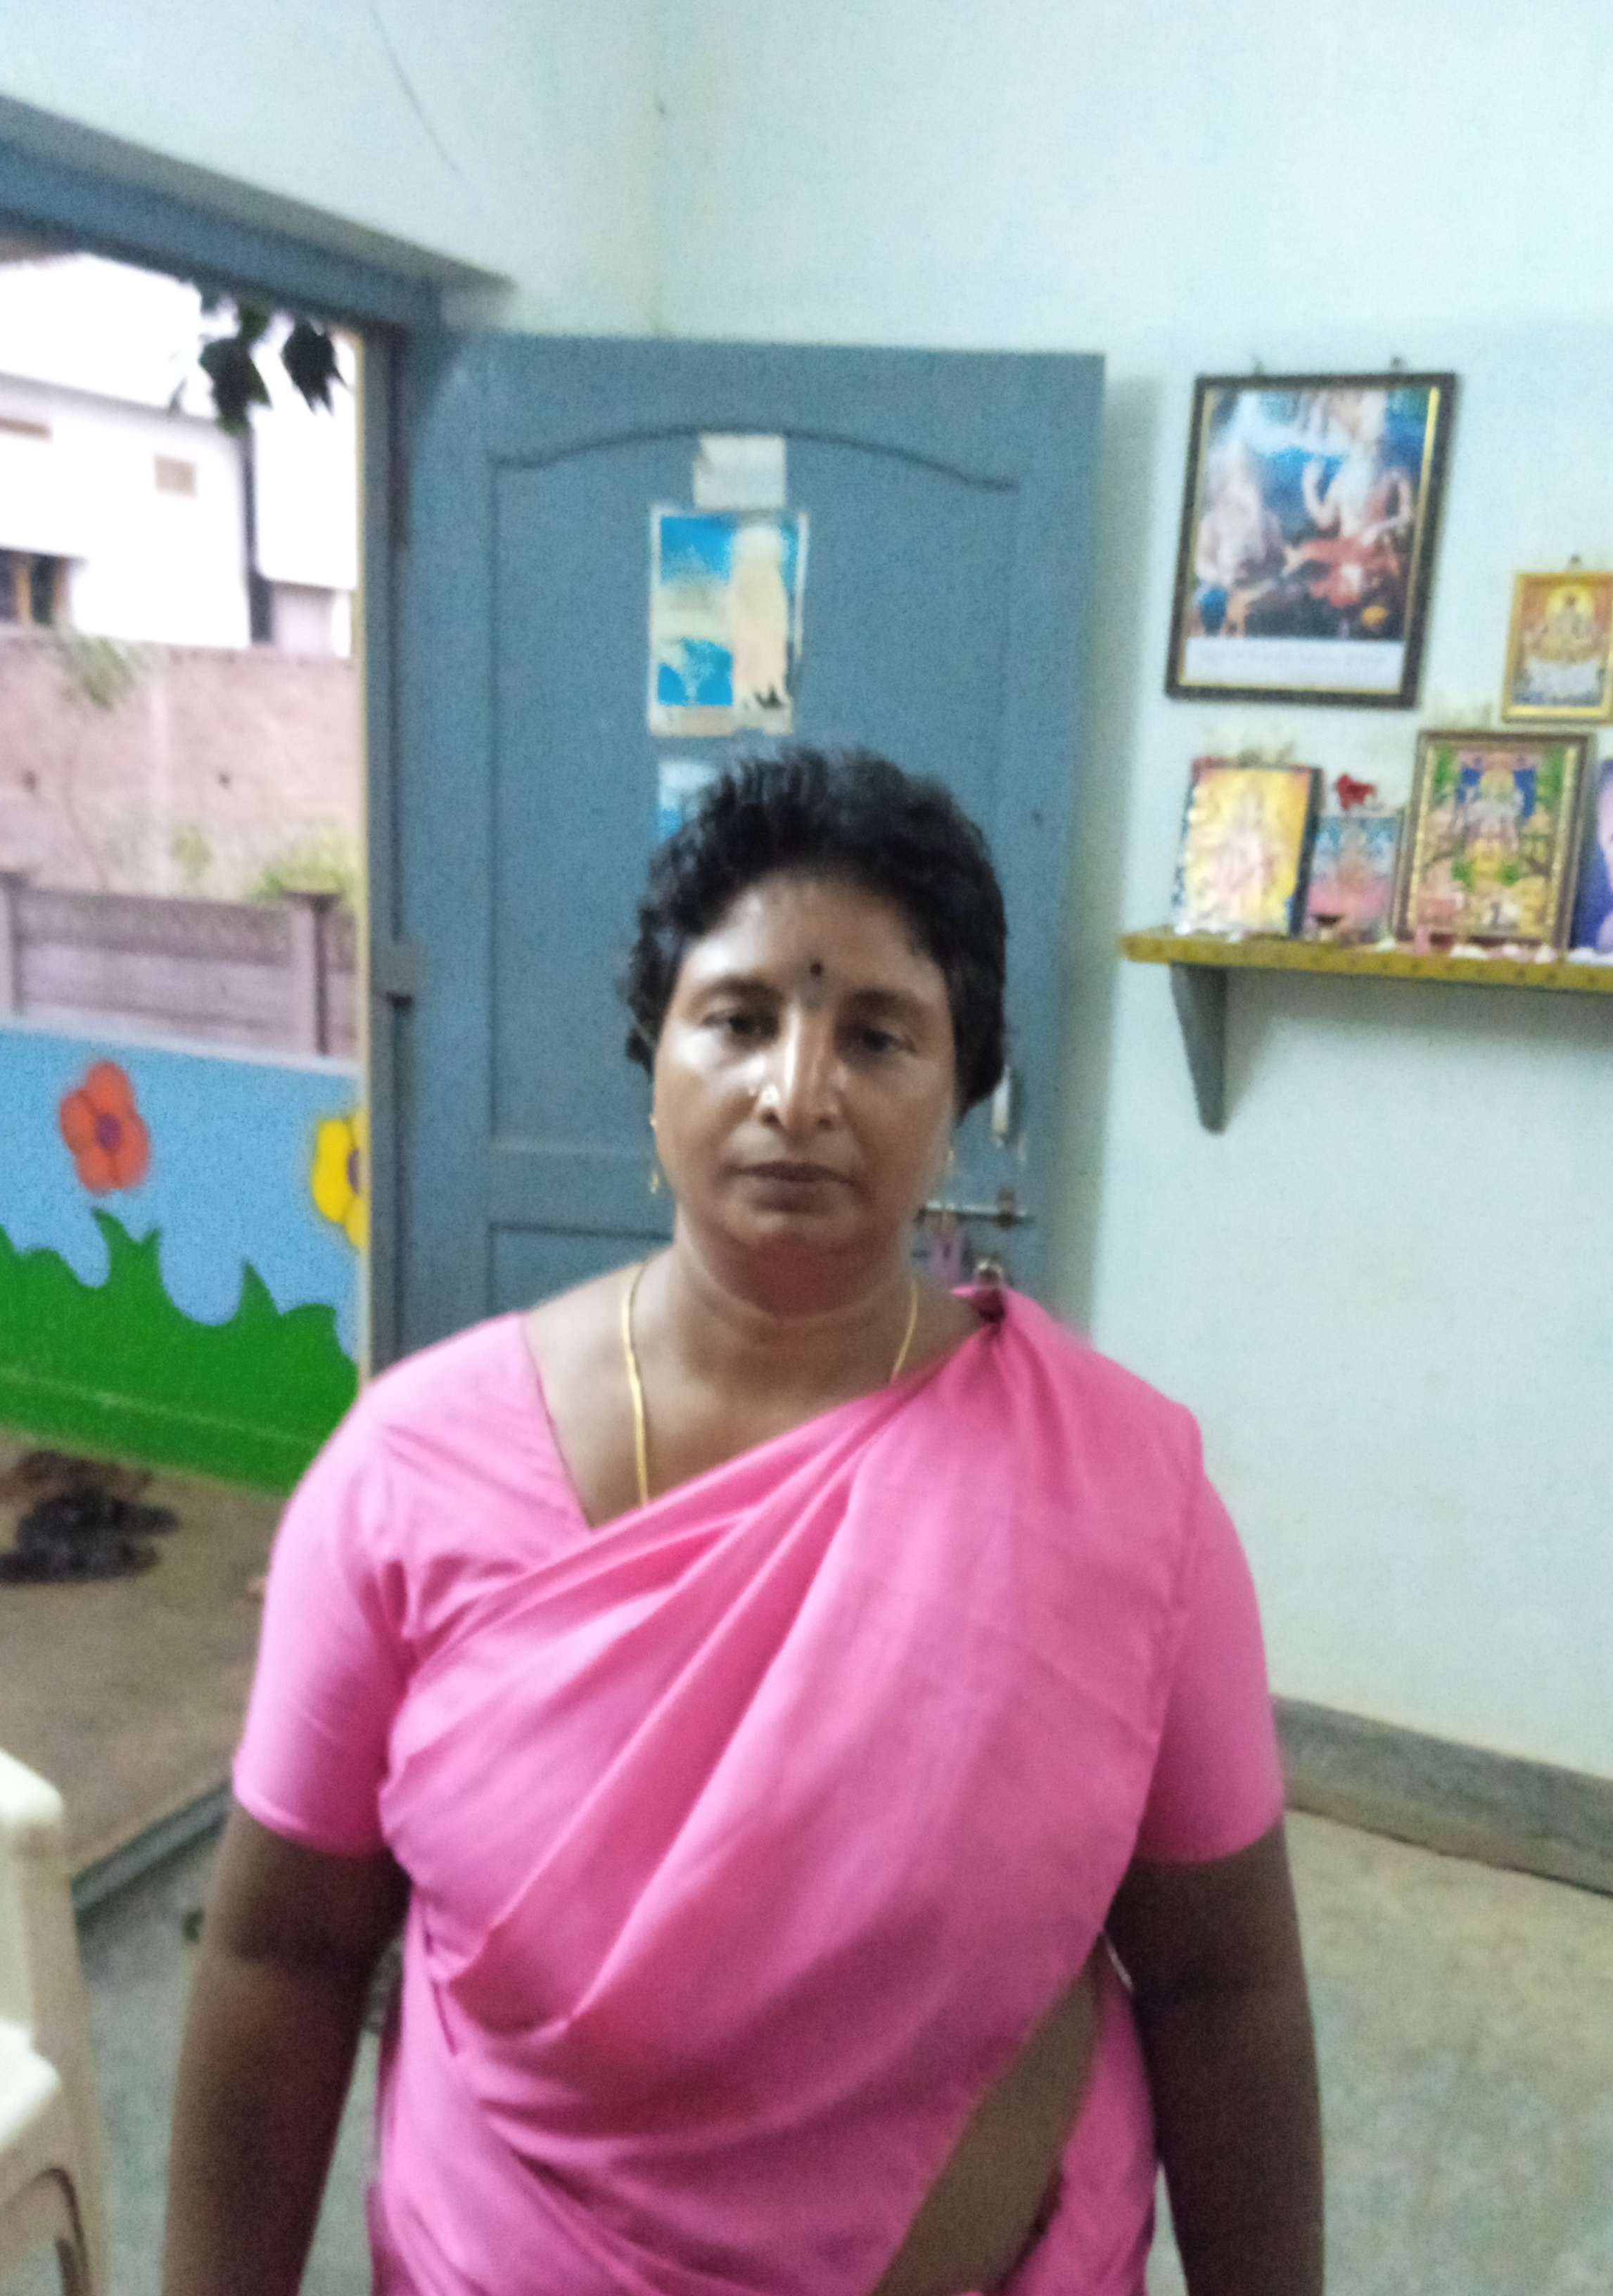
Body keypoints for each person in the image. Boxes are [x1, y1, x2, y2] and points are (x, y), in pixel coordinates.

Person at [165, 750, 1322, 2296]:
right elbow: (281, 1956)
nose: (797, 1093)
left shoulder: (1128, 1499)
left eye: (879, 1034)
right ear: (654, 1060)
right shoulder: (408, 1475)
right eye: (739, 1019)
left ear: (964, 1094)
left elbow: (1222, 1986)